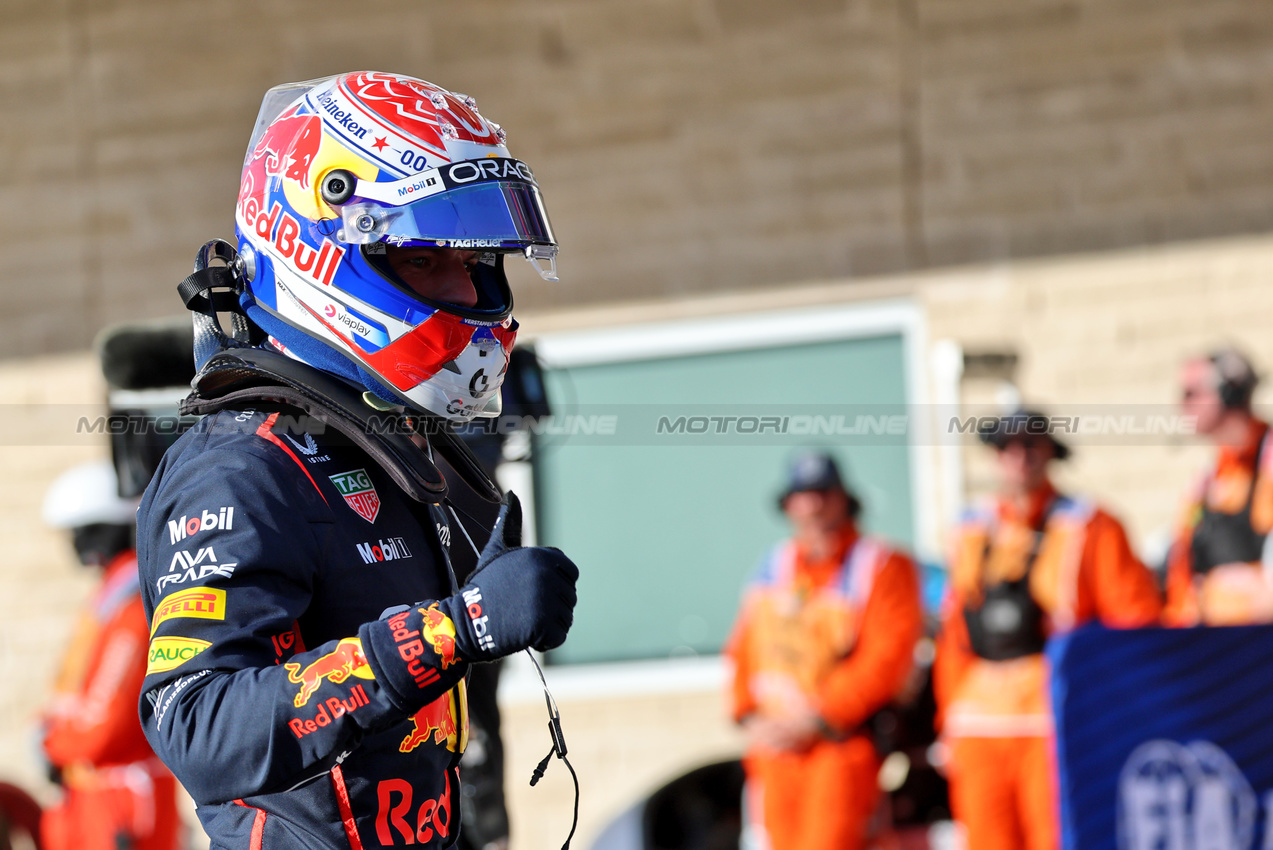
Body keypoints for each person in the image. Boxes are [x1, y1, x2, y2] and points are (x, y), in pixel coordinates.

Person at [136, 72, 578, 850]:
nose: (467, 285)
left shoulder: (391, 445)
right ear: (318, 250)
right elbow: (200, 728)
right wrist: (458, 629)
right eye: (425, 258)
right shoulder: (243, 466)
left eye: (478, 261)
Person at [933, 410, 1161, 850]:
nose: (1018, 457)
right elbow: (954, 639)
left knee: (1060, 838)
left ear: (1050, 453)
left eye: (1030, 445)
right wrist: (947, 722)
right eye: (1006, 447)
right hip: (978, 725)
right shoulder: (969, 531)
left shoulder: (1090, 525)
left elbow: (1134, 623)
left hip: (1054, 720)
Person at [726, 452, 922, 850]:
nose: (812, 505)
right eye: (802, 494)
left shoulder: (882, 565)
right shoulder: (773, 567)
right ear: (788, 504)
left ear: (844, 499)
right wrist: (748, 716)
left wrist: (815, 718)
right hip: (775, 752)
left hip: (839, 749)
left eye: (822, 493)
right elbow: (745, 650)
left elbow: (885, 661)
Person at [40, 461, 182, 850]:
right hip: (93, 796)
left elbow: (108, 716)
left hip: (122, 805)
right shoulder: (110, 598)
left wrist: (55, 746)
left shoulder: (133, 606)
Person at [1164, 348, 1273, 625]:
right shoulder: (1204, 483)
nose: (1181, 404)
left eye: (1192, 393)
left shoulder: (1268, 463)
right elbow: (1182, 574)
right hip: (1220, 650)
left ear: (1229, 393)